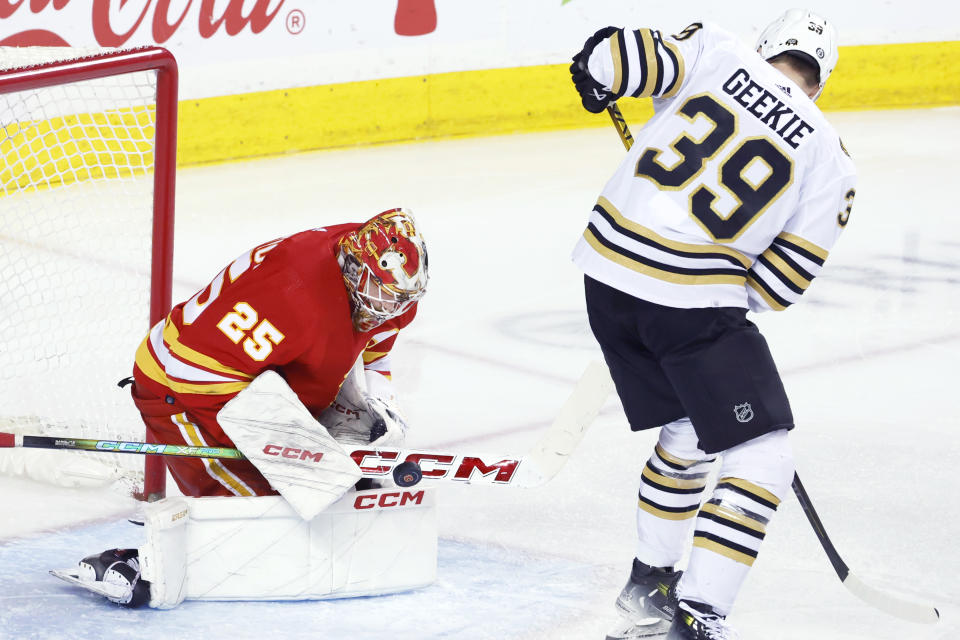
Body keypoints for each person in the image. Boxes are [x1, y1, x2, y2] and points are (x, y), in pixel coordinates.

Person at [568, 9, 855, 640]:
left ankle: (651, 586)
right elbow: (779, 287)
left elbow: (616, 58)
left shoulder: (717, 49)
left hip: (605, 277)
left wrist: (594, 72)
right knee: (764, 452)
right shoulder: (831, 157)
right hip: (687, 304)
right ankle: (697, 620)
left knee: (691, 427)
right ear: (821, 84)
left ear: (764, 46)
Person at [62, 207, 429, 606]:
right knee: (268, 520)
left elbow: (376, 346)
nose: (392, 307)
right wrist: (291, 446)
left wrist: (379, 403)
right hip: (182, 392)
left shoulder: (380, 282)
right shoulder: (292, 290)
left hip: (257, 377)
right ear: (356, 268)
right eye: (386, 295)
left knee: (323, 494)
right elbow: (189, 368)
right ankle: (140, 565)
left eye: (402, 299)